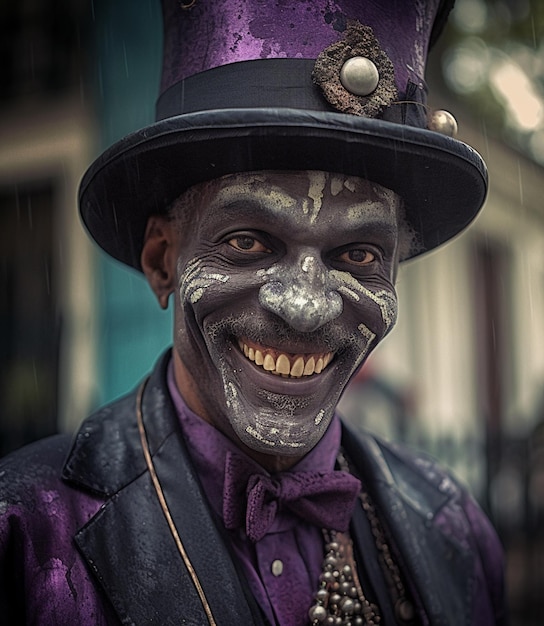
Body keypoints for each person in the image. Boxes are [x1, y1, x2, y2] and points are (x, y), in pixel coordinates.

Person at [0, 1, 507, 624]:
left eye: (359, 253)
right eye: (248, 242)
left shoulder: (454, 527)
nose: (306, 307)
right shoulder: (23, 536)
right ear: (163, 259)